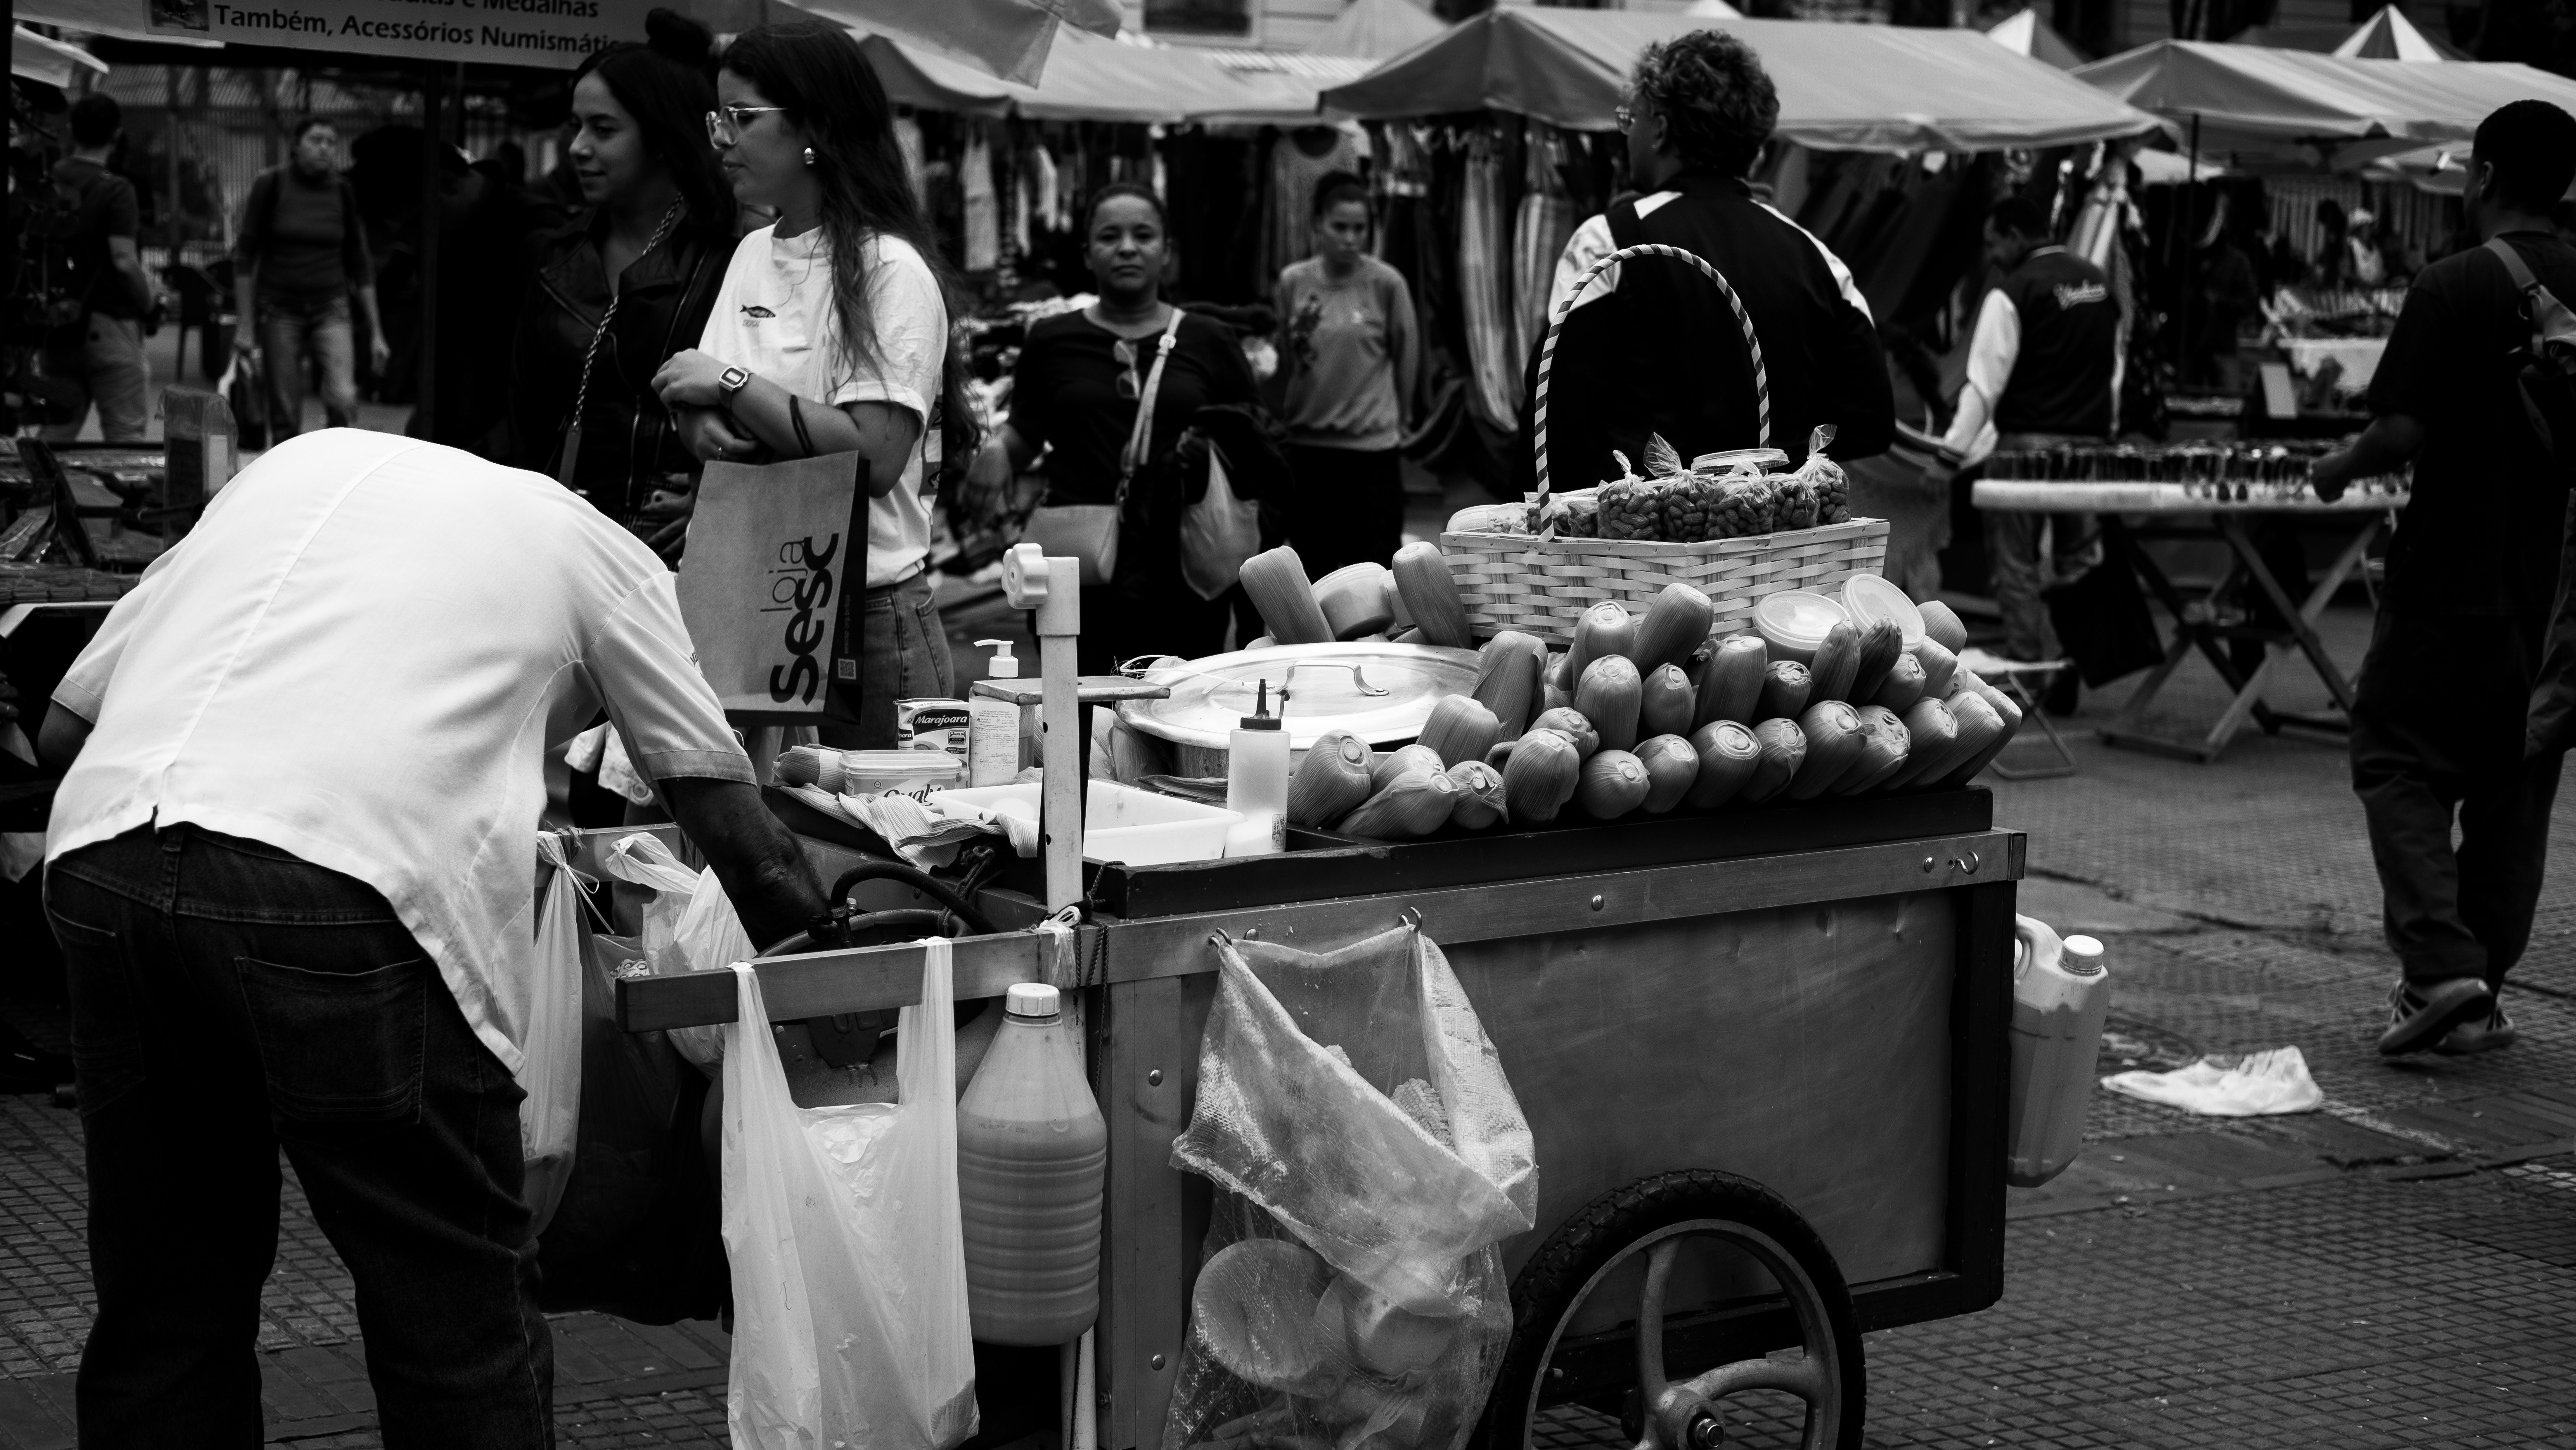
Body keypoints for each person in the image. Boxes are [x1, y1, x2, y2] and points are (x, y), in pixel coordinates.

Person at [38, 427, 830, 1449]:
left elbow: (64, 730)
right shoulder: (598, 549)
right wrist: (841, 999)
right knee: (452, 1304)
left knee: (166, 1295)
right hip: (346, 884)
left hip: (107, 855)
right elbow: (745, 844)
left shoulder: (290, 467)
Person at [2312, 100, 2576, 1058]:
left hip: (2448, 581)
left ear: (2485, 174)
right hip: (2557, 604)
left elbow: (2398, 432)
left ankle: (2439, 969)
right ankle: (2477, 989)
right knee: (2515, 789)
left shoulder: (2453, 283)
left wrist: (2334, 469)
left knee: (2395, 758)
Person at [653, 20, 970, 749]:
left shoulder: (890, 269)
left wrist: (730, 383)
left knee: (869, 822)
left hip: (866, 621)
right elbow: (696, 408)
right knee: (753, 821)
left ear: (814, 127)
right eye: (717, 118)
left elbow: (871, 458)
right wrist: (705, 424)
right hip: (745, 601)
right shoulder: (751, 253)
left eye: (742, 117)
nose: (722, 140)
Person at [1527, 29, 1892, 490]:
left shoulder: (1608, 242)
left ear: (1660, 129)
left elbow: (1552, 418)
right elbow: (1871, 419)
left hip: (1642, 527)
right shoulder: (1817, 256)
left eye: (1630, 119)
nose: (1628, 133)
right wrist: (1772, 468)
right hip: (1773, 526)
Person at [972, 184, 1267, 673]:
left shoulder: (1210, 339)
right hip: (1079, 566)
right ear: (1088, 254)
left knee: (1179, 699)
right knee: (1076, 704)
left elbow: (1254, 445)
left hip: (1184, 564)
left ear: (1167, 251)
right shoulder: (1051, 338)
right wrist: (1000, 449)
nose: (1127, 247)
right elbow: (1025, 429)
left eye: (1143, 235)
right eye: (1110, 237)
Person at [509, 9, 736, 558]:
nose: (578, 147)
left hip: (681, 552)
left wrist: (720, 496)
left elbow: (772, 401)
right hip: (562, 538)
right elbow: (524, 413)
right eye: (577, 126)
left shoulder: (732, 252)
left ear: (662, 136)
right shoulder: (558, 252)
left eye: (604, 129)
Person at [1942, 197, 2120, 708]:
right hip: (2087, 448)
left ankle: (2029, 673)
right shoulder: (2098, 283)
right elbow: (2115, 371)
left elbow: (1984, 385)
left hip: (2025, 446)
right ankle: (2069, 666)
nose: (1992, 255)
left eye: (1994, 243)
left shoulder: (2014, 290)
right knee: (2079, 562)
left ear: (2016, 236)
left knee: (2016, 562)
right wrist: (2104, 432)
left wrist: (1949, 454)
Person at [1274, 171, 1417, 580]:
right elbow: (1284, 362)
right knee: (1313, 575)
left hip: (1372, 454)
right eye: (1340, 227)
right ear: (1318, 224)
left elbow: (1407, 358)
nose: (1351, 238)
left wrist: (1400, 420)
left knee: (1373, 577)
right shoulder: (1293, 282)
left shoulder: (1387, 284)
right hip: (1308, 451)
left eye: (1360, 228)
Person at [234, 118, 391, 440]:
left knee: (344, 398)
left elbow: (359, 261)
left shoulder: (342, 192)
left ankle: (330, 457)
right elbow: (245, 256)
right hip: (279, 309)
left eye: (332, 142)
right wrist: (246, 325)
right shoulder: (271, 184)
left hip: (331, 307)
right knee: (285, 412)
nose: (325, 148)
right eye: (316, 140)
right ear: (295, 145)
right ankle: (288, 466)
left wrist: (377, 333)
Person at [41, 95, 156, 444]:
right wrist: (149, 303)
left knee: (58, 429)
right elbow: (123, 260)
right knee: (125, 437)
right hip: (109, 324)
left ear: (71, 129)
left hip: (55, 324)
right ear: (117, 135)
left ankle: (33, 481)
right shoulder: (116, 189)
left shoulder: (45, 182)